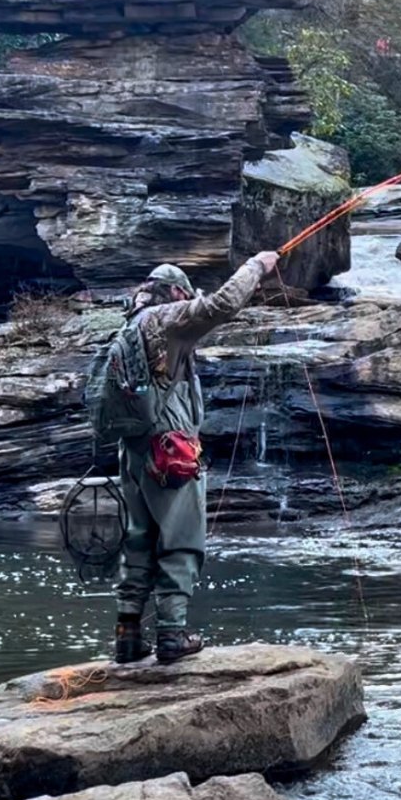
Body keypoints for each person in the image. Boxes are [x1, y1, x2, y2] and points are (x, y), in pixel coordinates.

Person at [114, 250, 280, 666]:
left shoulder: (129, 326)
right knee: (181, 542)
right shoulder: (169, 318)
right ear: (174, 293)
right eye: (185, 296)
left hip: (132, 451)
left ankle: (128, 637)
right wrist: (257, 266)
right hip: (169, 452)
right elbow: (222, 305)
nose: (188, 303)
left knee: (138, 541)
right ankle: (172, 635)